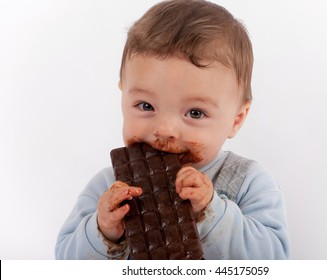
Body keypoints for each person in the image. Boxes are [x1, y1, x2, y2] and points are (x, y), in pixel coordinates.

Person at [55, 0, 290, 260]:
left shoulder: (249, 183)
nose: (165, 130)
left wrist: (211, 213)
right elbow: (64, 259)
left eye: (195, 113)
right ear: (122, 96)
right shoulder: (107, 187)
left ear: (236, 119)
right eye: (146, 105)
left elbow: (274, 260)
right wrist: (103, 231)